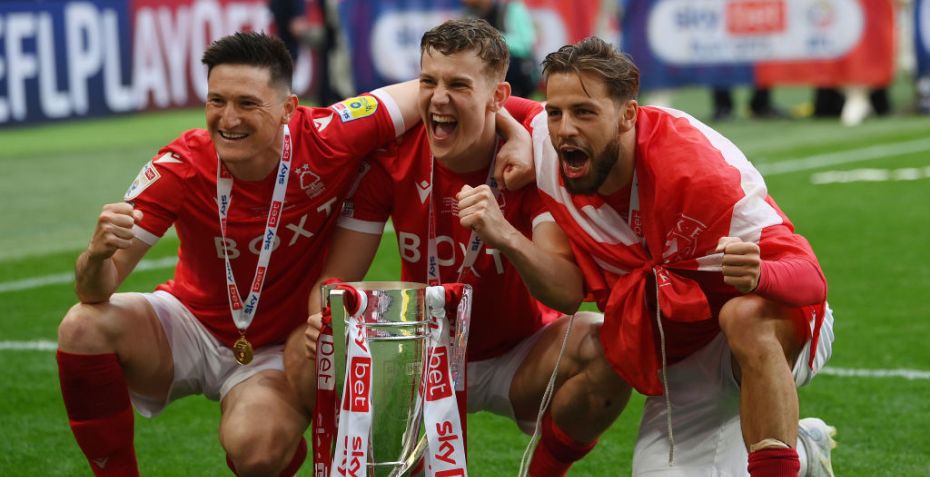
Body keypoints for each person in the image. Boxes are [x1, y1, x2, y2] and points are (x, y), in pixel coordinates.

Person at [54, 31, 429, 477]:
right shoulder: (181, 164)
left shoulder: (330, 137)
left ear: (289, 108)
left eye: (248, 103)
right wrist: (97, 256)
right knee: (81, 326)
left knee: (258, 450)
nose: (228, 119)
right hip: (189, 326)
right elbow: (94, 291)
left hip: (273, 348)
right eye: (217, 101)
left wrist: (505, 132)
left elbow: (433, 87)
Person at [302, 18, 627, 476]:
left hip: (519, 354)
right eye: (428, 82)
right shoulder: (392, 157)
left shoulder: (534, 158)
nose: (439, 98)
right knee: (302, 352)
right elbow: (335, 281)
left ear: (498, 97)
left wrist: (505, 235)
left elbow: (567, 292)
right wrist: (324, 320)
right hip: (419, 354)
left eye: (457, 85)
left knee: (606, 342)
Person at [512, 36, 837, 476]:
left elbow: (811, 279)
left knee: (745, 316)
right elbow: (480, 96)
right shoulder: (545, 141)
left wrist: (760, 274)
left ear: (628, 115)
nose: (564, 128)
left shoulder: (699, 172)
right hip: (684, 350)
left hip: (775, 326)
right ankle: (802, 451)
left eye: (584, 112)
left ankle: (779, 458)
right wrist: (508, 133)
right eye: (555, 112)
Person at [462, 0, 539, 98]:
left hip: (519, 80)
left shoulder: (511, 8)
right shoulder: (470, 14)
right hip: (490, 82)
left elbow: (525, 44)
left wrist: (490, 38)